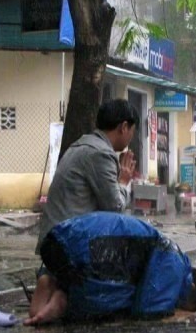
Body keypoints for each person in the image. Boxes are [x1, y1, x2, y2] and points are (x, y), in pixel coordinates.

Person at [24, 212, 196, 326]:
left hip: (59, 240)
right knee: (126, 302)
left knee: (129, 285)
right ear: (192, 286)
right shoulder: (175, 264)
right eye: (183, 305)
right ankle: (64, 299)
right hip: (81, 252)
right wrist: (173, 316)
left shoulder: (166, 247)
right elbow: (149, 310)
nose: (177, 304)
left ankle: (51, 281)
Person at [37, 99, 138, 254]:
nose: (132, 137)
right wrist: (124, 182)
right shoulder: (101, 153)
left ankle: (48, 277)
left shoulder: (81, 144)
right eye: (133, 131)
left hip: (55, 236)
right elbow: (115, 208)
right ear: (124, 127)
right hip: (67, 240)